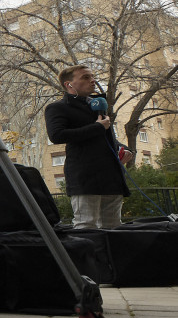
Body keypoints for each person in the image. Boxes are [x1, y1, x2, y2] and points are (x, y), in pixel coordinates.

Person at [45, 65, 132, 229]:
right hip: (85, 179)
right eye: (85, 77)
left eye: (92, 76)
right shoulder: (57, 107)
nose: (92, 80)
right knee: (86, 226)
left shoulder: (98, 106)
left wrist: (124, 149)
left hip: (112, 178)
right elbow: (57, 135)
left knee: (114, 228)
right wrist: (98, 127)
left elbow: (107, 136)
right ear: (69, 84)